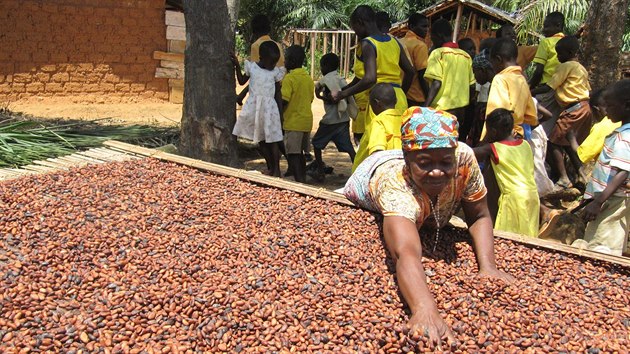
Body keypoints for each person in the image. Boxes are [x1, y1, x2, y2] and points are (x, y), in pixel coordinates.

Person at [343, 106, 514, 348]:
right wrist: (424, 308)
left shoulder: (464, 159)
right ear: (407, 157)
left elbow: (479, 215)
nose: (436, 171)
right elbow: (405, 252)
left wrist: (488, 267)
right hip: (373, 170)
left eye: (445, 162)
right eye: (424, 163)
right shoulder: (396, 187)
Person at [332, 5, 414, 171]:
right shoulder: (394, 41)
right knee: (398, 141)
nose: (355, 32)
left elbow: (369, 78)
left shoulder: (368, 44)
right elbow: (410, 71)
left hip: (379, 99)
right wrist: (400, 92)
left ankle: (365, 177)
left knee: (376, 140)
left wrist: (343, 94)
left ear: (360, 23)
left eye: (354, 27)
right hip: (396, 97)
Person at [572, 79, 630, 256]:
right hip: (605, 198)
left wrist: (598, 201)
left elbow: (623, 173)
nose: (606, 112)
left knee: (604, 248)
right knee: (595, 240)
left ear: (626, 106)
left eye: (610, 106)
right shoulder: (619, 132)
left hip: (614, 201)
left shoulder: (625, 137)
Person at [532, 36, 592, 189]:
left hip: (573, 109)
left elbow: (549, 87)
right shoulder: (580, 68)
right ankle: (581, 174)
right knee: (565, 143)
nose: (558, 58)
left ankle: (564, 178)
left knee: (552, 141)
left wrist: (528, 91)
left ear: (569, 52)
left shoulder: (565, 66)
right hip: (584, 107)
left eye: (560, 54)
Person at [473, 109, 540, 237]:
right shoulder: (525, 144)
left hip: (513, 199)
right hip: (532, 195)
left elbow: (469, 153)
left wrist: (486, 138)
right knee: (528, 238)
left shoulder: (494, 148)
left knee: (507, 240)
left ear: (492, 131)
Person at [231, 41, 285, 177]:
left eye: (275, 63)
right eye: (271, 62)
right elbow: (242, 81)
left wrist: (280, 112)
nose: (273, 66)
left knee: (272, 140)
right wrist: (237, 65)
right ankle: (271, 167)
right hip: (255, 110)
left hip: (270, 111)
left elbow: (278, 92)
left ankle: (276, 170)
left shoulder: (275, 73)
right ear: (262, 57)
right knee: (261, 140)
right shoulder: (253, 68)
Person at [311, 53, 357, 182]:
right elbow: (346, 93)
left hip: (330, 121)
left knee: (316, 144)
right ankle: (358, 170)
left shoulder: (326, 81)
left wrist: (321, 96)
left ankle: (320, 170)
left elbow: (333, 99)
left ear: (325, 66)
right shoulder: (341, 79)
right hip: (343, 119)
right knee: (349, 147)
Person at [483, 38, 537, 140]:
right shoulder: (522, 79)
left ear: (498, 60)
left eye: (492, 62)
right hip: (518, 136)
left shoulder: (500, 79)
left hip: (500, 137)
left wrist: (485, 142)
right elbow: (531, 116)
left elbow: (497, 115)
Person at [424, 19, 475, 123]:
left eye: (432, 37)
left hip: (442, 112)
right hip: (461, 112)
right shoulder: (465, 56)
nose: (432, 40)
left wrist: (425, 107)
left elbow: (436, 83)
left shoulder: (438, 54)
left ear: (439, 36)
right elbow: (472, 86)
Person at [281, 45, 315, 183]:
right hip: (306, 122)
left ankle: (299, 180)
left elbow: (284, 100)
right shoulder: (308, 78)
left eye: (286, 59)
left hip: (293, 122)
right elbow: (311, 98)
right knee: (300, 153)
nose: (284, 62)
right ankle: (302, 178)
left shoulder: (289, 79)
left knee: (293, 154)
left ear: (292, 61)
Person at [529, 11, 566, 135]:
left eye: (546, 26)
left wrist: (530, 87)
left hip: (546, 89)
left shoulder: (546, 42)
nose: (544, 30)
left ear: (557, 25)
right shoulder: (568, 42)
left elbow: (539, 71)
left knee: (539, 128)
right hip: (563, 90)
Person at [237, 15, 285, 105]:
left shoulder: (256, 46)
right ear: (269, 29)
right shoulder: (277, 45)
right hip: (280, 89)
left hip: (265, 92)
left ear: (253, 31)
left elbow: (257, 74)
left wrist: (242, 94)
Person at [576, 89, 621, 164]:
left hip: (608, 173)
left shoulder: (602, 127)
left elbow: (582, 155)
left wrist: (571, 139)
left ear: (596, 109)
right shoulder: (622, 121)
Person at [399, 13, 430, 107]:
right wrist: (429, 98)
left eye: (428, 26)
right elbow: (422, 75)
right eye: (423, 26)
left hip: (401, 92)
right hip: (417, 97)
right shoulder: (420, 46)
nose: (426, 29)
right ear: (411, 26)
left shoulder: (399, 42)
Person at [365, 84, 404, 156]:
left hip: (374, 165)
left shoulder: (378, 121)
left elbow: (377, 150)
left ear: (376, 103)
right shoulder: (405, 119)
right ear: (396, 101)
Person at [468, 49, 494, 147]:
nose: (475, 77)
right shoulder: (494, 84)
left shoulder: (496, 85)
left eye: (475, 72)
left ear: (482, 70)